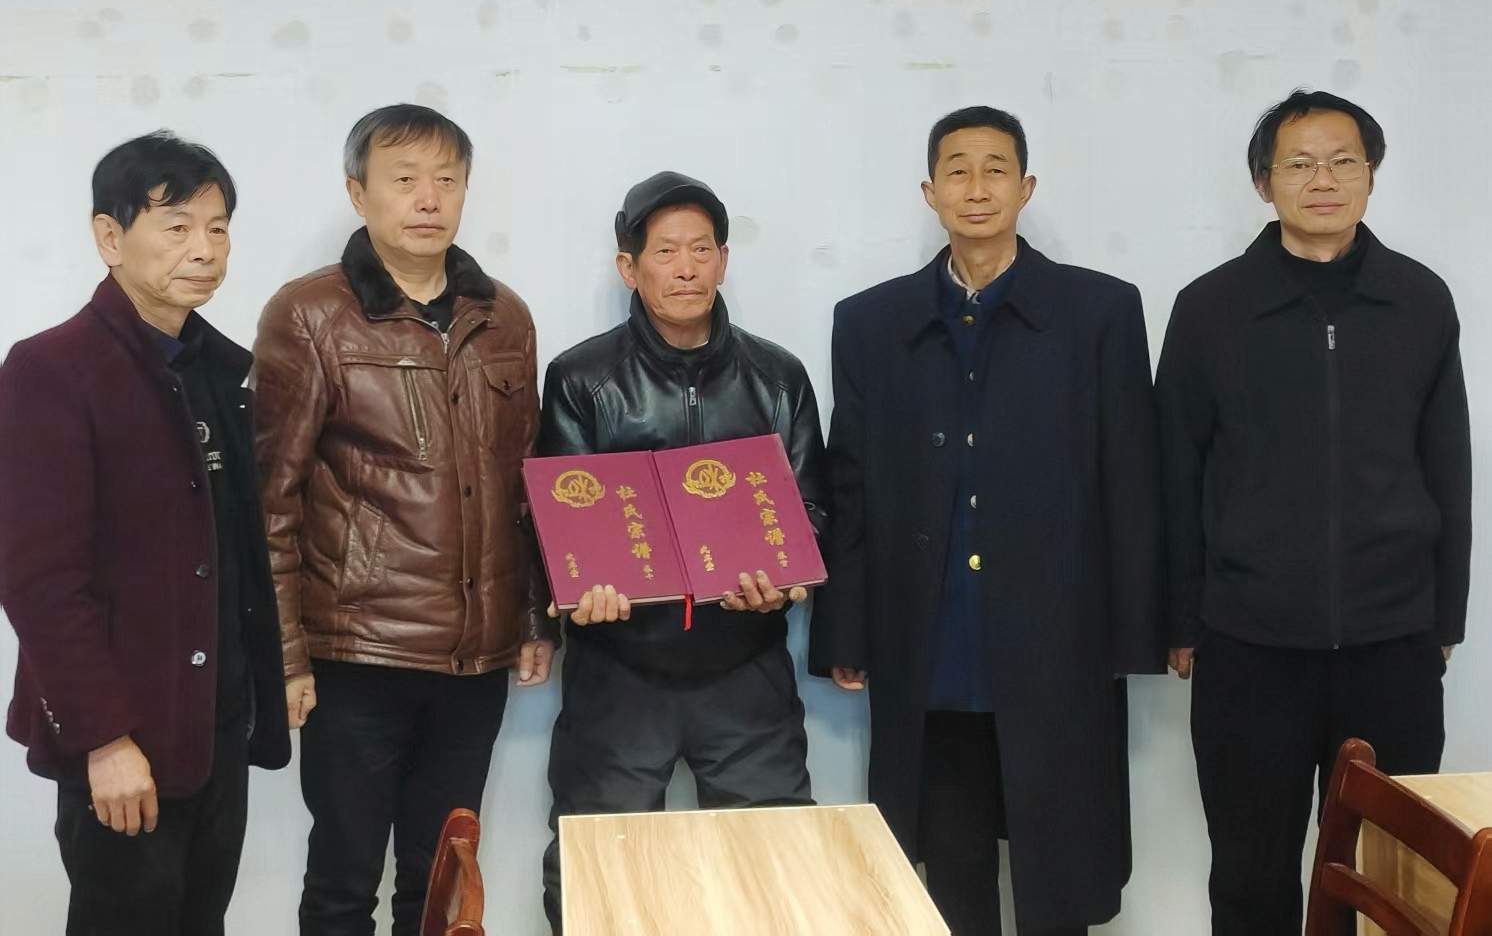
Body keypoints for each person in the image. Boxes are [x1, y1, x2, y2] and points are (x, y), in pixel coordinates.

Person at [809, 105, 1164, 936]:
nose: (977, 188)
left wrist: (1138, 633)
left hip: (1059, 639)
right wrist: (846, 632)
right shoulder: (870, 321)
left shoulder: (1100, 311)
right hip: (934, 641)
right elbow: (849, 482)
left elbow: (1132, 479)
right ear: (929, 191)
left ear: (1026, 187)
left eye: (996, 169)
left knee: (1060, 867)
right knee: (950, 865)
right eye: (958, 171)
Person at [1156, 89, 1471, 935]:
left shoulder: (1419, 299)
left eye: (1342, 161)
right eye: (1299, 163)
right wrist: (1181, 619)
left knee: (1394, 879)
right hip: (1248, 646)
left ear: (1371, 174)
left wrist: (1444, 616)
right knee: (1250, 872)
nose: (1322, 179)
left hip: (1393, 644)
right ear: (1264, 183)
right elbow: (1175, 472)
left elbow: (1449, 465)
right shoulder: (1210, 308)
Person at [253, 104, 556, 935]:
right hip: (358, 653)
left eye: (447, 180)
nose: (429, 198)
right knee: (344, 881)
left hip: (475, 657)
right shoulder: (309, 314)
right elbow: (271, 500)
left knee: (444, 883)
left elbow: (526, 482)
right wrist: (285, 657)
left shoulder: (504, 316)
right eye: (405, 179)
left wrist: (533, 615)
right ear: (359, 194)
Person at [0, 131, 291, 935]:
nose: (205, 249)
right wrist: (104, 740)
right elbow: (39, 581)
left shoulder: (219, 370)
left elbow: (235, 553)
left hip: (215, 729)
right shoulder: (51, 369)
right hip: (124, 740)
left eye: (219, 227)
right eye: (177, 226)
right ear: (109, 236)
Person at [538, 171, 827, 931]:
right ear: (628, 267)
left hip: (746, 667)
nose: (687, 267)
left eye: (702, 249)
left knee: (776, 873)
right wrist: (582, 593)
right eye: (666, 251)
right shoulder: (581, 378)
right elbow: (558, 525)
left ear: (724, 260)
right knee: (598, 877)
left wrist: (788, 580)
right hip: (619, 668)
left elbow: (812, 510)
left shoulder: (778, 377)